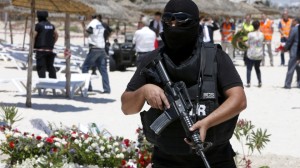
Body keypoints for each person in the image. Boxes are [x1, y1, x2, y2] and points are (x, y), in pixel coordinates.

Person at [121, 0, 247, 167]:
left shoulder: (215, 57)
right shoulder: (152, 60)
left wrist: (207, 123)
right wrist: (144, 91)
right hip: (166, 160)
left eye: (181, 20)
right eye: (168, 20)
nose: (174, 26)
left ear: (194, 23)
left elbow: (239, 100)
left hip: (215, 158)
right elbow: (127, 107)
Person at [82, 14, 111, 94]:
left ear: (91, 17)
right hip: (102, 48)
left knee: (85, 67)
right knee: (103, 70)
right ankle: (107, 89)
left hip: (94, 48)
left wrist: (84, 27)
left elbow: (88, 33)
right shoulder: (100, 24)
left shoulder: (93, 23)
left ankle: (88, 87)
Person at [33, 10, 58, 79]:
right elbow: (56, 35)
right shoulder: (51, 26)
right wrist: (53, 43)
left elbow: (34, 36)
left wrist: (32, 46)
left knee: (41, 67)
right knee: (50, 66)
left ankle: (42, 83)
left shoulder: (38, 25)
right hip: (50, 49)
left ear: (38, 17)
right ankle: (53, 82)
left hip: (41, 50)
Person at [245, 20, 264, 88]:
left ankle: (248, 82)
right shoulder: (262, 34)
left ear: (252, 26)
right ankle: (259, 82)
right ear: (259, 26)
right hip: (259, 53)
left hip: (251, 53)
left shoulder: (250, 34)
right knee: (257, 68)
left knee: (249, 68)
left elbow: (247, 44)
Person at [283, 18, 300, 89]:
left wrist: (285, 48)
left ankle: (287, 84)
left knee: (291, 67)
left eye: (293, 21)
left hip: (295, 50)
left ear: (296, 21)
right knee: (297, 68)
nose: (291, 22)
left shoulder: (294, 29)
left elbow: (290, 40)